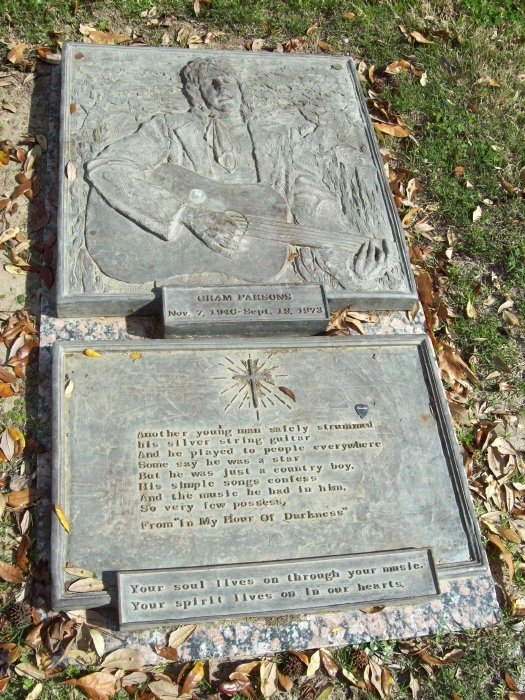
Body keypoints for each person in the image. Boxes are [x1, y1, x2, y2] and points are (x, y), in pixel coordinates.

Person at [85, 56, 402, 290]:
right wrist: (187, 216)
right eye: (210, 83)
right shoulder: (169, 128)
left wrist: (352, 265)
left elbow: (311, 198)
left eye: (227, 80)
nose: (221, 87)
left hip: (252, 265)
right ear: (196, 95)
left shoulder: (274, 141)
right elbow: (107, 169)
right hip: (178, 270)